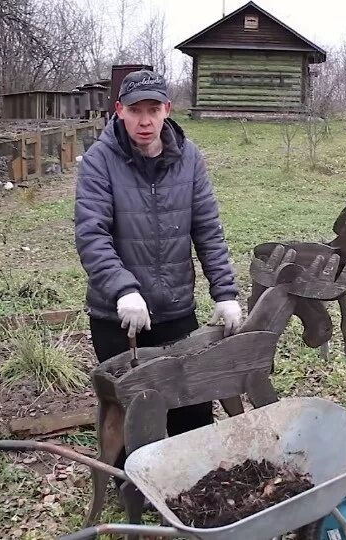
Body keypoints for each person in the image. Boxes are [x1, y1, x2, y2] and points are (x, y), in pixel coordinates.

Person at [74, 69, 243, 440]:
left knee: (191, 410)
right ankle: (131, 490)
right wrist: (123, 289)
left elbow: (208, 230)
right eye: (136, 110)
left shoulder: (189, 157)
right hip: (118, 318)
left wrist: (226, 294)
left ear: (167, 109)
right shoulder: (99, 161)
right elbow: (91, 235)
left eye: (153, 109)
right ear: (119, 110)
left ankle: (189, 489)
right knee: (129, 416)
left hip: (177, 311)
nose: (145, 120)